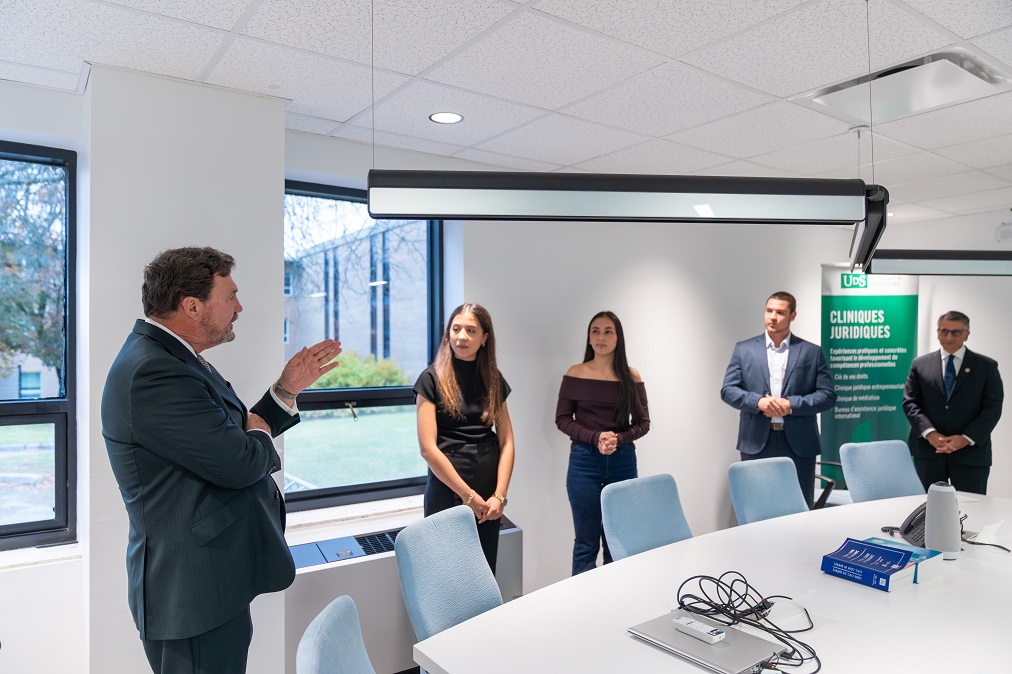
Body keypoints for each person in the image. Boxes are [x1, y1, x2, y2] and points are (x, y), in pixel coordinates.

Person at [101, 246, 341, 674]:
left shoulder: (176, 359)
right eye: (229, 297)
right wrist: (253, 435)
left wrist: (284, 392)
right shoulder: (154, 372)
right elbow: (240, 462)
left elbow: (232, 440)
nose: (240, 307)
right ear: (192, 306)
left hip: (211, 584)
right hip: (191, 594)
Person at [414, 303, 515, 573]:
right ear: (448, 334)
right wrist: (468, 497)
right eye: (456, 329)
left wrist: (499, 497)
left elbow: (507, 443)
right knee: (446, 576)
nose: (462, 336)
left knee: (482, 572)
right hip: (448, 489)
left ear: (484, 338)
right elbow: (427, 449)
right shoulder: (431, 378)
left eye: (471, 330)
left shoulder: (493, 379)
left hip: (488, 494)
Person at [720, 291, 836, 507]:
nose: (772, 317)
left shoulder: (811, 352)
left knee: (799, 507)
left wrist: (791, 404)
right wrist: (757, 402)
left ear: (792, 316)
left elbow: (828, 396)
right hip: (756, 443)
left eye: (780, 312)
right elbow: (728, 390)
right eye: (769, 311)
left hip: (799, 444)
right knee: (756, 506)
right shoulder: (744, 349)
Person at [556, 311, 649, 575]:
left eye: (608, 331)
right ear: (588, 337)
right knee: (585, 543)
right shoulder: (576, 373)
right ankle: (582, 609)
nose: (601, 337)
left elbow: (643, 423)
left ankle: (614, 606)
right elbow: (562, 419)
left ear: (618, 337)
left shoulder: (631, 376)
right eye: (595, 331)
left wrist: (618, 439)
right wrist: (595, 438)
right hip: (583, 462)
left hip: (622, 462)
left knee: (616, 542)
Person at [903, 311, 1004, 494]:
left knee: (972, 510)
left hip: (971, 455)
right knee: (926, 512)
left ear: (967, 335)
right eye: (944, 331)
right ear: (937, 332)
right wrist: (931, 434)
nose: (949, 337)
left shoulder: (986, 367)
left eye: (956, 332)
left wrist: (965, 439)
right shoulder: (920, 365)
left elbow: (993, 408)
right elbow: (910, 403)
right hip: (929, 453)